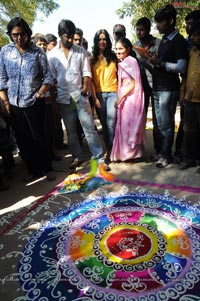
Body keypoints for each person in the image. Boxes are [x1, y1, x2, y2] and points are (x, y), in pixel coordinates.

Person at [0, 17, 56, 182]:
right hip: (13, 104)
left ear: (27, 33)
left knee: (39, 137)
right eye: (14, 35)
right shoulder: (5, 52)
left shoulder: (37, 52)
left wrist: (40, 93)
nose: (18, 38)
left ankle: (47, 168)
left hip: (34, 102)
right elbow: (2, 78)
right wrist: (5, 102)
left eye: (22, 34)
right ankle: (33, 169)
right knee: (23, 139)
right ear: (10, 35)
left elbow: (48, 76)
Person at [48, 19, 104, 169]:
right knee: (71, 131)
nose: (71, 40)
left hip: (81, 96)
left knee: (89, 128)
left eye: (72, 36)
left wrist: (85, 88)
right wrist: (54, 101)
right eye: (67, 37)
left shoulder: (80, 51)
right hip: (63, 98)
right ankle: (77, 157)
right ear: (60, 35)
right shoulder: (52, 55)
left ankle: (99, 158)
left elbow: (86, 72)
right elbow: (52, 78)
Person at [148, 4, 188, 168]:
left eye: (160, 22)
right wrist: (153, 60)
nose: (157, 25)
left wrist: (161, 63)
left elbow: (181, 67)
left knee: (166, 124)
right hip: (158, 87)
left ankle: (166, 155)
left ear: (171, 21)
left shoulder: (178, 41)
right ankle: (161, 152)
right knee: (159, 125)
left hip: (169, 89)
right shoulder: (164, 39)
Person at [110, 38, 146, 162]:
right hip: (126, 97)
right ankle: (127, 154)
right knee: (125, 126)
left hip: (130, 98)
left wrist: (119, 99)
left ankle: (132, 155)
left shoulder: (130, 61)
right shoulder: (124, 61)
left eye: (121, 49)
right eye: (116, 49)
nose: (117, 51)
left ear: (128, 49)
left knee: (128, 126)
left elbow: (132, 83)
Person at [174, 9, 200, 164]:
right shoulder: (192, 52)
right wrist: (182, 95)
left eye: (196, 35)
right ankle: (188, 158)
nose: (192, 37)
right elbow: (184, 77)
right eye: (193, 35)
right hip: (189, 99)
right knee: (189, 131)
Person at [90, 29, 118, 170]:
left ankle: (112, 151)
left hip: (113, 92)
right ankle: (108, 149)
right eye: (100, 39)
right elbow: (91, 82)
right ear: (96, 41)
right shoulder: (92, 59)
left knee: (112, 122)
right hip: (100, 94)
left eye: (105, 39)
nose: (102, 41)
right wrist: (94, 98)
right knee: (105, 125)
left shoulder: (114, 56)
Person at [133, 17, 161, 114]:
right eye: (137, 29)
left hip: (157, 84)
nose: (138, 33)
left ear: (148, 30)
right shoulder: (134, 47)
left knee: (158, 117)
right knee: (140, 115)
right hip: (141, 86)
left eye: (142, 30)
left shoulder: (159, 44)